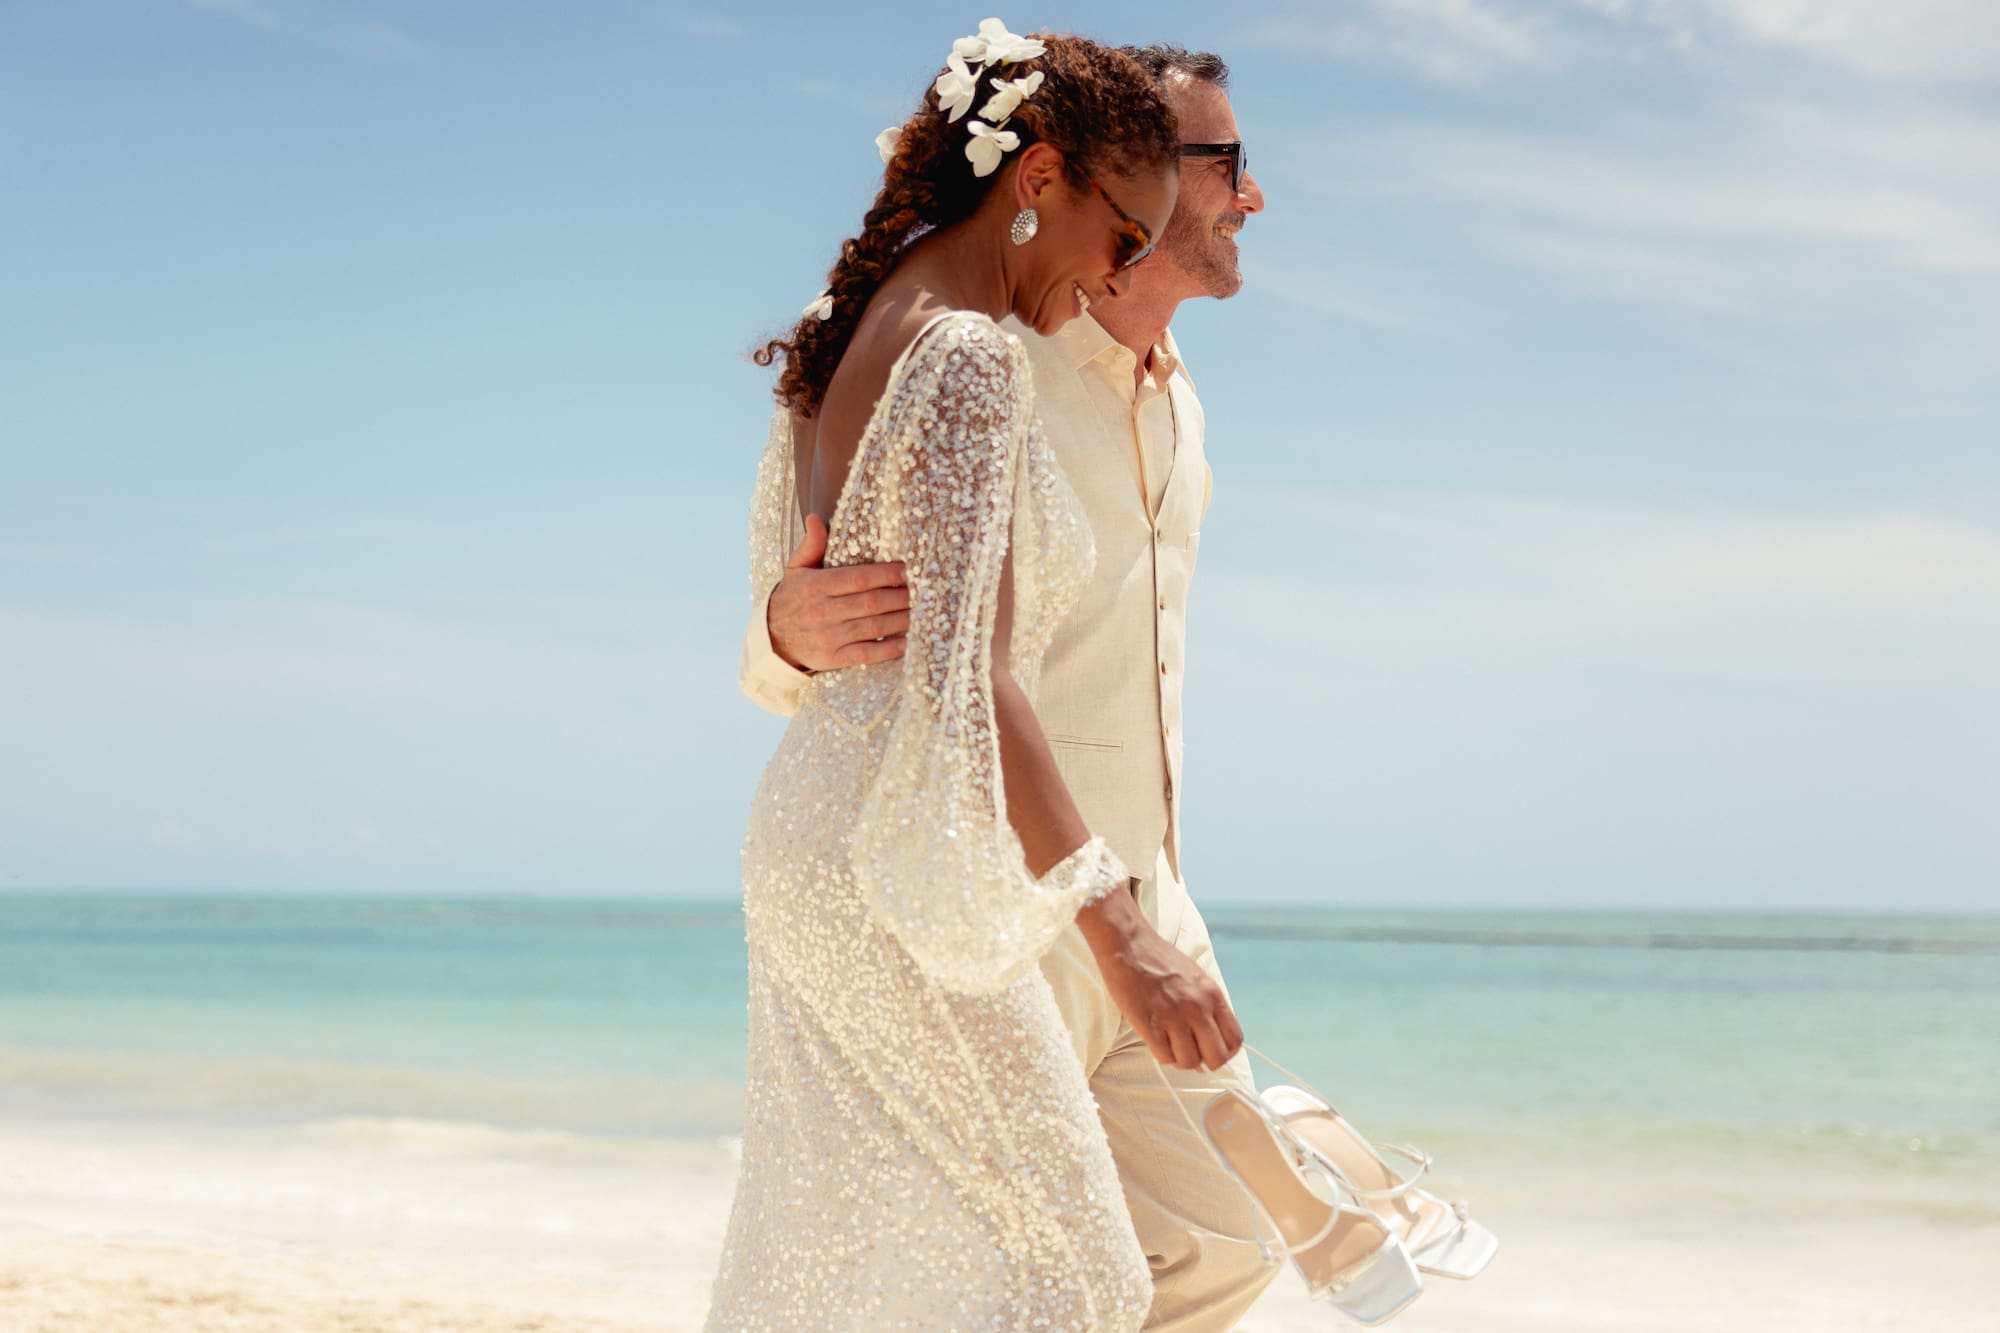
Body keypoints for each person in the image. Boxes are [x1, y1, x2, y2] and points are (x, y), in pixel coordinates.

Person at [705, 24, 1244, 1332]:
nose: (1117, 268)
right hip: (929, 861)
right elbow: (967, 676)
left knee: (875, 1264)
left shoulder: (849, 327)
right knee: (1073, 1277)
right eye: (1123, 232)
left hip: (830, 832)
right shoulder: (979, 356)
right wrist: (1121, 937)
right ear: (1039, 177)